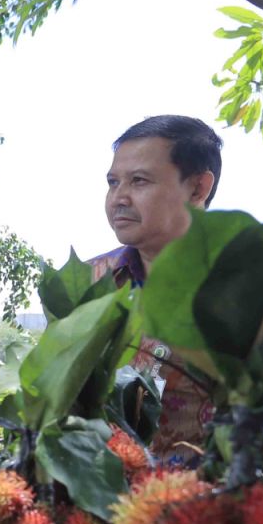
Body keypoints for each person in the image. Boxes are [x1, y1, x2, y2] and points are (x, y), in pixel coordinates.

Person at [90, 115, 222, 467]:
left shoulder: (245, 287)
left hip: (209, 507)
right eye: (113, 182)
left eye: (139, 181)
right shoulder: (90, 281)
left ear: (197, 188)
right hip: (96, 497)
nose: (119, 198)